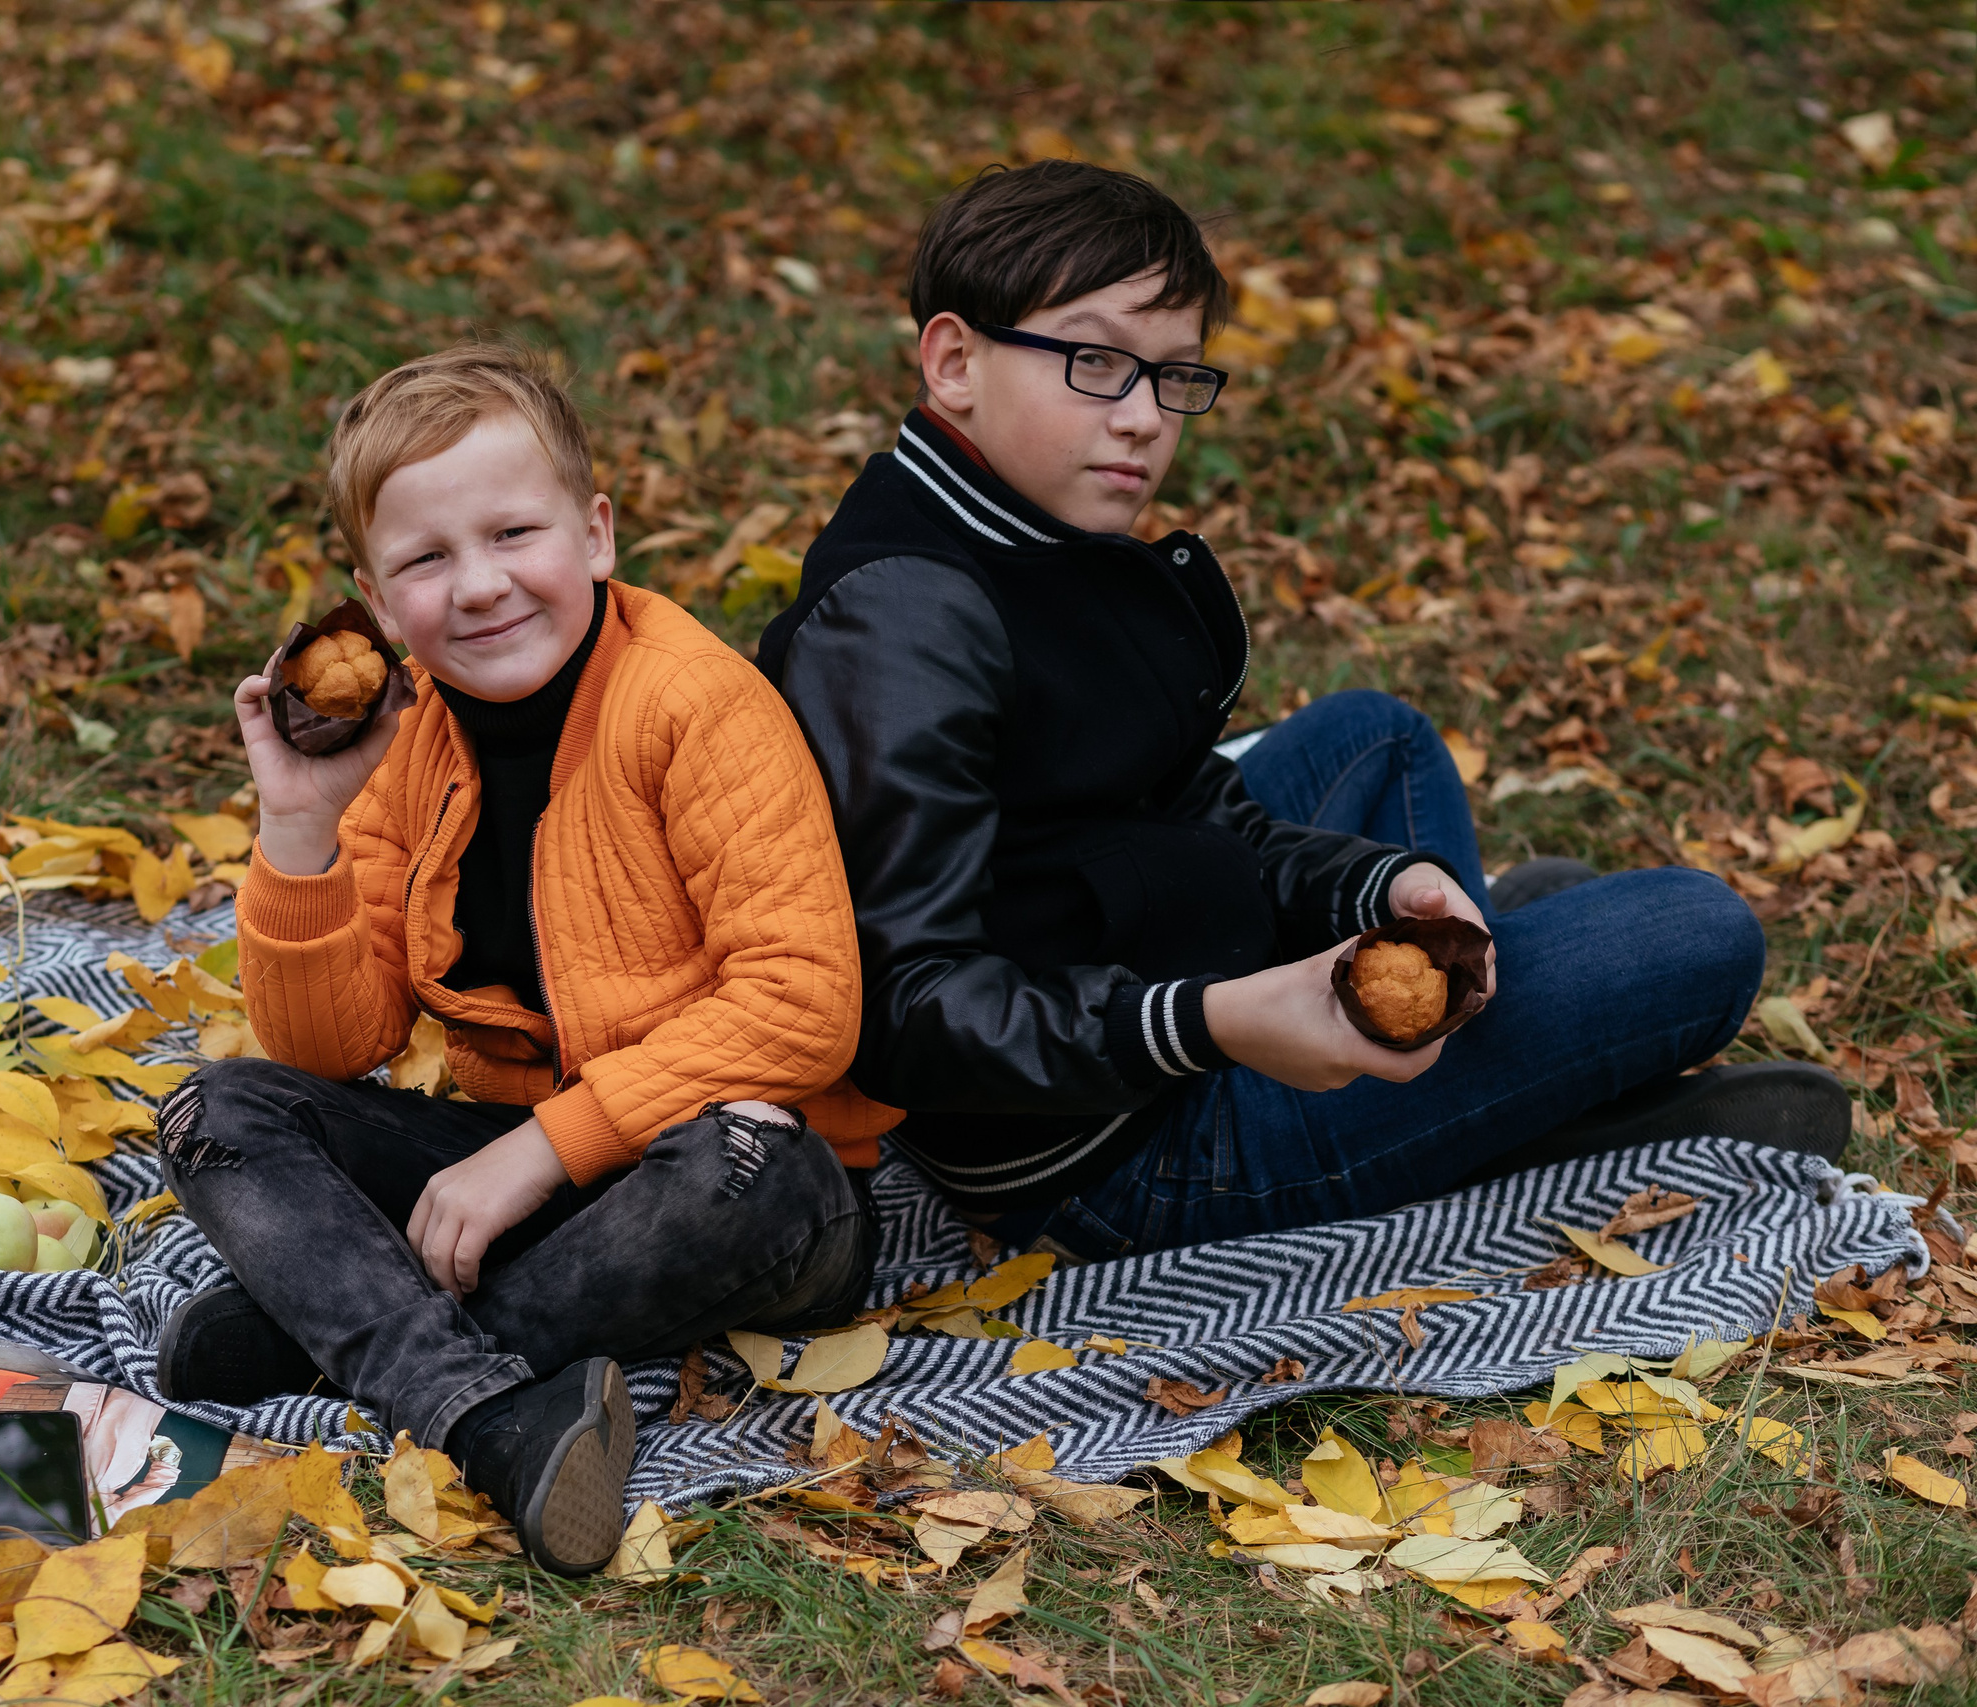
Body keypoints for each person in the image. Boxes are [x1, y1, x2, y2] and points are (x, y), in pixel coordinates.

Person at [759, 159, 1845, 1266]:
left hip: (1142, 944)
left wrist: (1375, 886)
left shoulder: (1031, 527)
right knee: (1696, 932)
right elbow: (905, 1009)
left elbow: (1188, 807)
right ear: (953, 361)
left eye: (1173, 374)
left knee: (1379, 740)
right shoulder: (905, 622)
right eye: (1097, 363)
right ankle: (1523, 1121)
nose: (1144, 418)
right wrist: (1214, 1019)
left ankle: (1478, 1045)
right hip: (1120, 1158)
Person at [152, 345, 893, 1574]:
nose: (481, 585)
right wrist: (298, 829)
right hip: (527, 1173)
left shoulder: (693, 705)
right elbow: (334, 1046)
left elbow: (803, 1005)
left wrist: (543, 1149)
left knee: (745, 1164)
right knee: (216, 1110)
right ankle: (488, 1418)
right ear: (375, 601)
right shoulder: (404, 737)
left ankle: (338, 1337)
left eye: (512, 533)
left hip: (736, 1171)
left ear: (595, 533)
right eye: (426, 560)